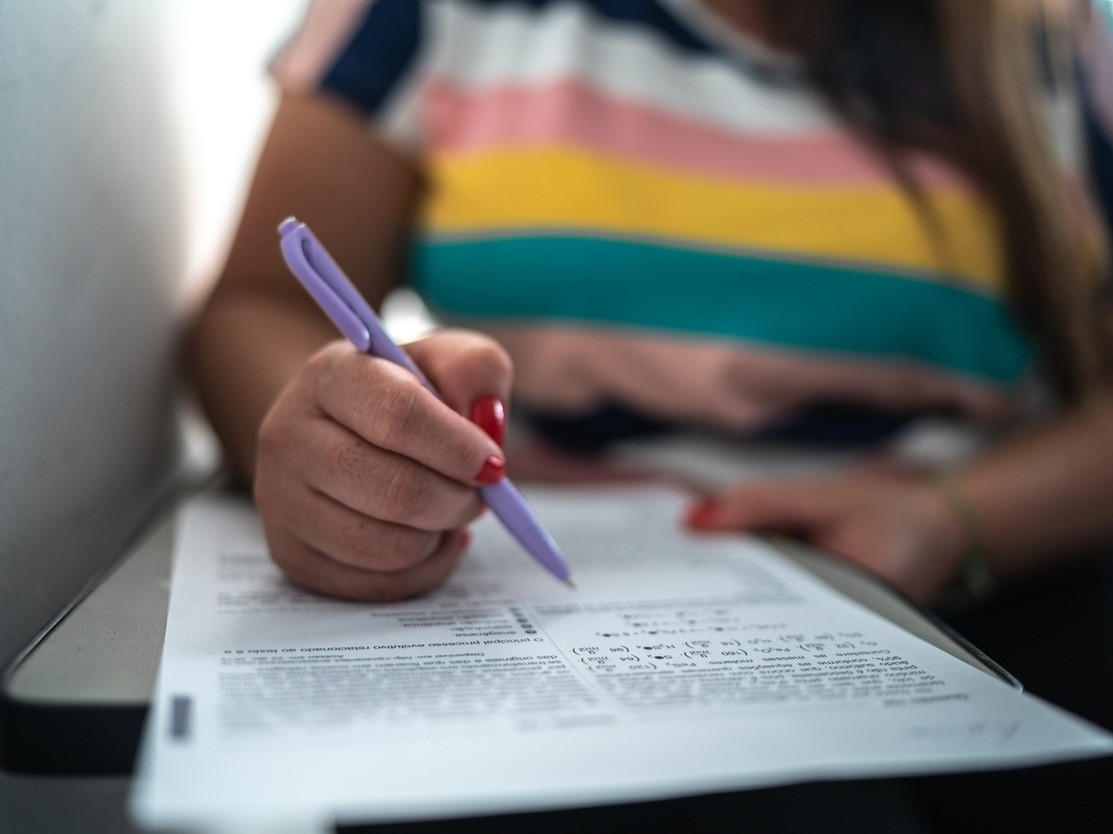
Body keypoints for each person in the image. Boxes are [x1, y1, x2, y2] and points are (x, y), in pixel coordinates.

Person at [189, 0, 1113, 606]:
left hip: (993, 590)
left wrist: (951, 520)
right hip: (536, 600)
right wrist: (336, 446)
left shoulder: (1045, 37)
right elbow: (259, 304)